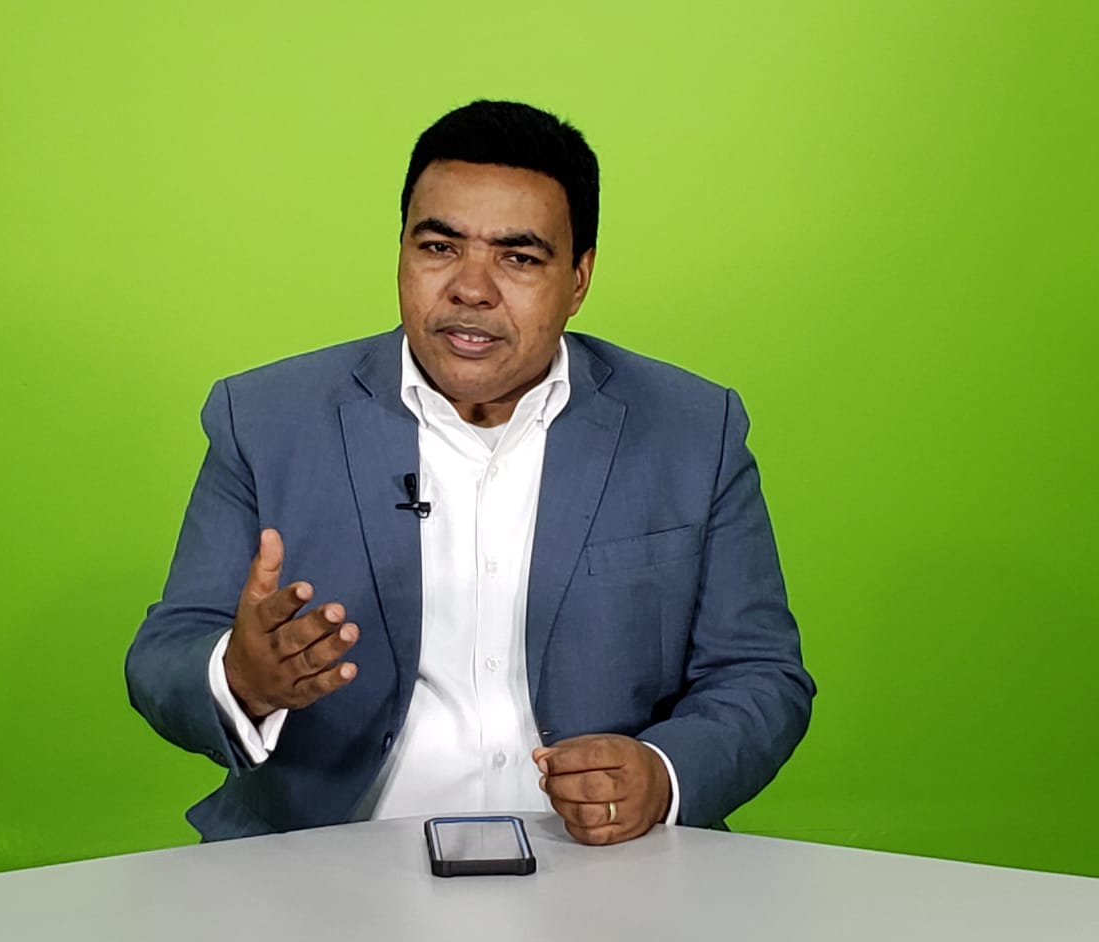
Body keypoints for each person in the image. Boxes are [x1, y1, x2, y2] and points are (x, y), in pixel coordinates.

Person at [127, 100, 814, 846]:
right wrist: (240, 677)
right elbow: (165, 656)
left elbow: (760, 674)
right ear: (401, 251)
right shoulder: (264, 419)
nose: (471, 288)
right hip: (322, 860)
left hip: (602, 867)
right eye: (439, 247)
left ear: (578, 279)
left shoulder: (692, 430)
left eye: (519, 258)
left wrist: (662, 773)